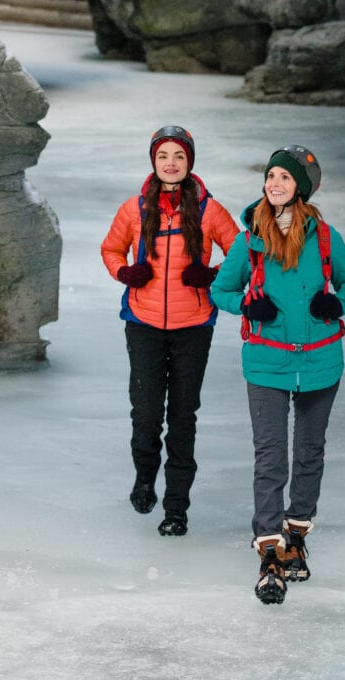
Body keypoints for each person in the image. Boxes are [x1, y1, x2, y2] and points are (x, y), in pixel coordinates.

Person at [211, 144, 345, 604]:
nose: (274, 183)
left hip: (321, 360)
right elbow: (221, 287)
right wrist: (245, 303)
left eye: (284, 177)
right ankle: (269, 547)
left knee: (310, 451)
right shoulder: (250, 238)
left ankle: (296, 531)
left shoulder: (324, 238)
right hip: (267, 362)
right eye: (271, 175)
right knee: (271, 456)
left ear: (301, 187)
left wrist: (337, 303)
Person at [100, 125, 240, 536]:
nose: (171, 163)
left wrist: (210, 275)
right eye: (164, 156)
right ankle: (145, 478)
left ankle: (176, 507)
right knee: (145, 414)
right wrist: (126, 271)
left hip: (193, 327)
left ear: (189, 162)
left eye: (179, 155)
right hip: (142, 324)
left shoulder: (210, 210)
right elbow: (111, 249)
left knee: (182, 417)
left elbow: (243, 254)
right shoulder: (134, 209)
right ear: (154, 162)